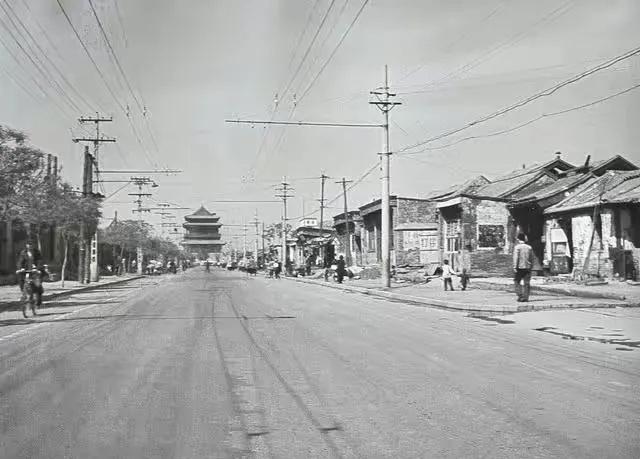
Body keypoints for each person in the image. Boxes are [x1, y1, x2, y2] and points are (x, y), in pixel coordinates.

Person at [513, 233, 534, 302]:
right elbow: (531, 258)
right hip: (528, 267)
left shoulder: (517, 247)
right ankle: (526, 297)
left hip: (519, 267)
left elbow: (516, 257)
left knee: (516, 281)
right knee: (527, 283)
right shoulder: (529, 247)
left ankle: (520, 295)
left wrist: (514, 267)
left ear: (518, 239)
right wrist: (531, 266)